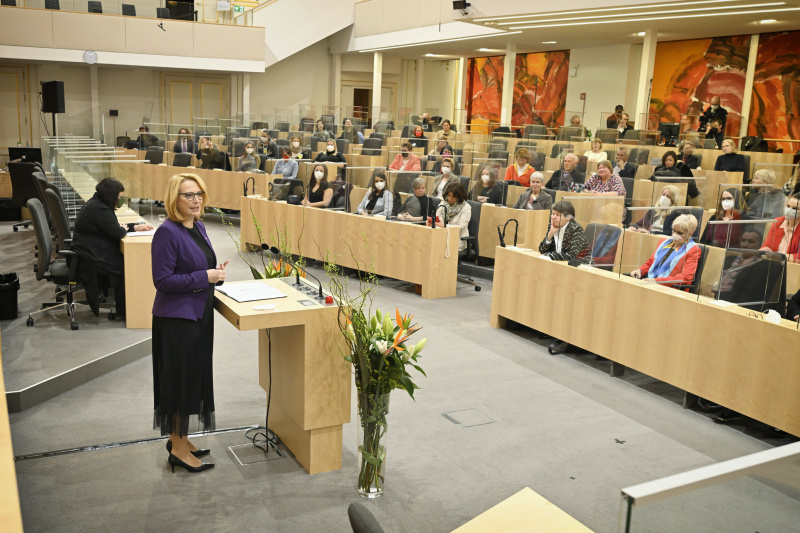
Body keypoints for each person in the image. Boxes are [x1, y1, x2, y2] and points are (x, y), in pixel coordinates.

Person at [152, 173, 228, 474]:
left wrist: (215, 274)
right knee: (179, 383)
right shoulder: (166, 232)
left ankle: (179, 438)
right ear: (175, 199)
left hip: (198, 316)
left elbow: (201, 266)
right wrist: (204, 277)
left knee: (191, 379)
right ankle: (179, 450)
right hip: (177, 322)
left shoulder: (197, 226)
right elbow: (162, 280)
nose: (195, 200)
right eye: (188, 195)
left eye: (199, 194)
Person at [70, 178, 153, 319]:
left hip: (88, 250)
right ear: (111, 195)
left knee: (122, 262)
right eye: (119, 197)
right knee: (123, 269)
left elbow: (113, 227)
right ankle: (123, 313)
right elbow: (118, 232)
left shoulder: (96, 204)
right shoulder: (99, 209)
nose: (120, 200)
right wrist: (123, 229)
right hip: (89, 256)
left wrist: (135, 227)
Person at [630, 214, 700, 290]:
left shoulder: (693, 250)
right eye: (674, 230)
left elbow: (686, 278)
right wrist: (640, 270)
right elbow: (651, 262)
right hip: (650, 283)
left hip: (670, 289)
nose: (675, 235)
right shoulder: (663, 242)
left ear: (690, 234)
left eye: (680, 233)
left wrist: (657, 281)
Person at [428, 182, 471, 252]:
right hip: (440, 237)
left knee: (437, 248)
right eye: (449, 195)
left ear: (459, 196)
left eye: (453, 196)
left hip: (457, 240)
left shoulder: (466, 208)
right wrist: (432, 223)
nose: (450, 198)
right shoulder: (442, 204)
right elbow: (437, 221)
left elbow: (460, 228)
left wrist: (444, 226)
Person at [760, 193, 800, 262]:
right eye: (788, 206)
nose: (789, 210)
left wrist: (780, 257)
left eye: (794, 208)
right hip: (773, 264)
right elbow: (766, 246)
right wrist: (763, 250)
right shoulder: (778, 222)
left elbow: (799, 256)